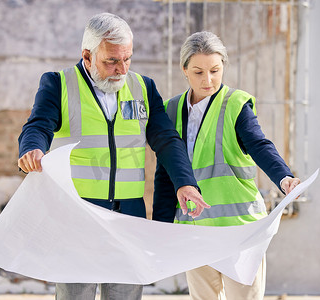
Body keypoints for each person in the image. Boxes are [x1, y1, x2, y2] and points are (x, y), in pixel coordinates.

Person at [17, 13, 210, 300]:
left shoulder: (143, 87)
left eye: (127, 59)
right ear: (87, 56)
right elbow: (38, 125)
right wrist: (31, 148)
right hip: (77, 216)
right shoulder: (59, 84)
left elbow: (166, 140)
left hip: (128, 219)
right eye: (111, 61)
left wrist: (185, 182)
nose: (122, 69)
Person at [152, 31, 301, 300]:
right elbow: (165, 172)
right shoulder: (171, 110)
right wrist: (162, 229)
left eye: (215, 70)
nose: (207, 80)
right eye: (198, 72)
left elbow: (259, 145)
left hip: (239, 229)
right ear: (184, 69)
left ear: (223, 67)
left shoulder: (235, 104)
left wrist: (283, 177)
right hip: (195, 230)